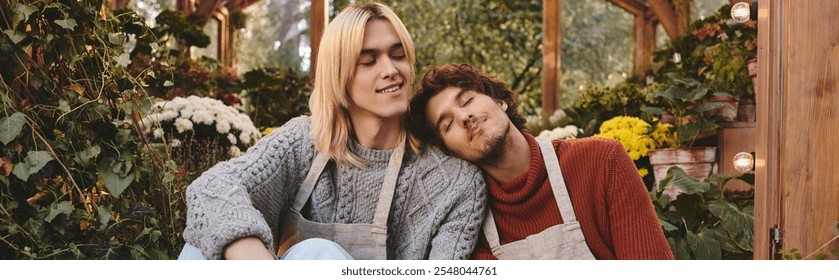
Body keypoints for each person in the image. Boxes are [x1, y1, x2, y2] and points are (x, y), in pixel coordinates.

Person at [180, 4, 485, 260]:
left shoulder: (454, 182)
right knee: (206, 242)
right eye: (368, 61)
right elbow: (210, 188)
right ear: (339, 77)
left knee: (318, 254)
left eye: (398, 55)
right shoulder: (304, 141)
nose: (390, 69)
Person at [408, 64, 673, 260]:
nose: (465, 116)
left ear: (499, 101)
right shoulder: (469, 221)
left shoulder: (602, 162)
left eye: (467, 100)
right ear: (451, 153)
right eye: (448, 124)